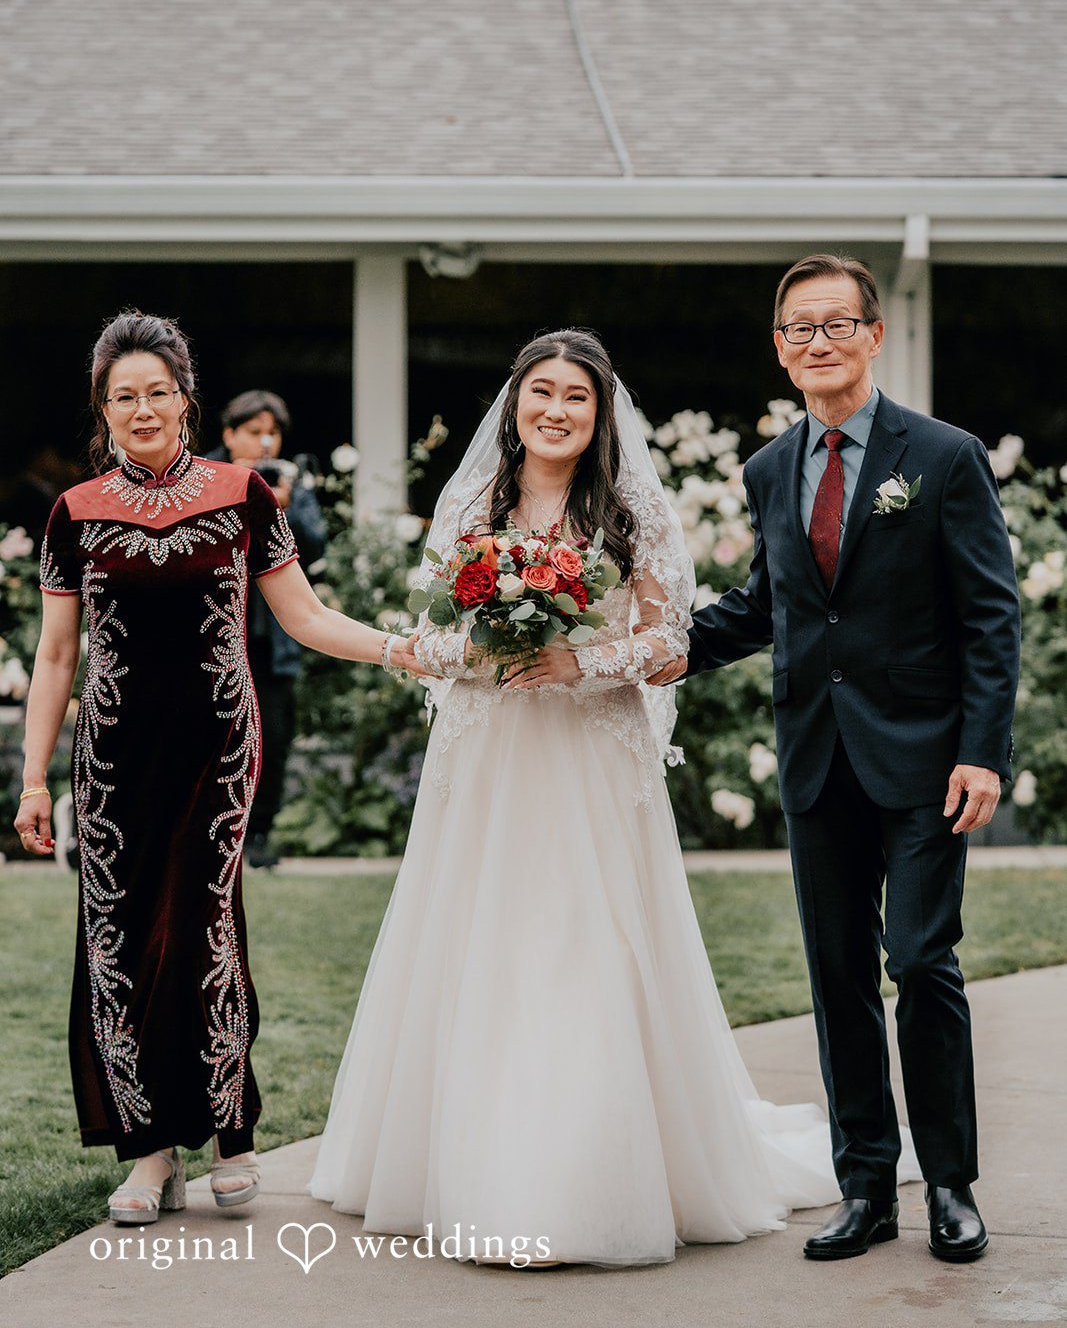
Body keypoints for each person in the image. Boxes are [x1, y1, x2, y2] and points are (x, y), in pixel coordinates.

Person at [307, 327, 922, 1270]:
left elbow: (669, 639)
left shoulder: (629, 507)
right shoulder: (471, 501)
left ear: (600, 416)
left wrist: (575, 659)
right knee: (484, 940)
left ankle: (581, 1183)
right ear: (514, 402)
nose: (555, 410)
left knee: (581, 945)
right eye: (540, 392)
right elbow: (436, 627)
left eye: (576, 398)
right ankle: (469, 1162)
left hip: (590, 755)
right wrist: (474, 652)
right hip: (490, 755)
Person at [650, 255, 1021, 1263]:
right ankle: (865, 1190)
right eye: (796, 328)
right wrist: (635, 649)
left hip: (924, 761)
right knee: (836, 976)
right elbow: (766, 607)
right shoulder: (770, 469)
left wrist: (981, 752)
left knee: (917, 959)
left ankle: (948, 1184)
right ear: (777, 349)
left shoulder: (940, 457)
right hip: (815, 759)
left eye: (834, 323)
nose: (816, 341)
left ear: (872, 333)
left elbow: (989, 614)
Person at [14, 311, 421, 1227]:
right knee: (119, 941)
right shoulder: (74, 512)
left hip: (218, 750)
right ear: (103, 409)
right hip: (112, 760)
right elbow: (53, 658)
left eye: (159, 391)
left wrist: (405, 649)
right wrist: (35, 779)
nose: (143, 408)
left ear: (188, 402)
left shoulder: (244, 495)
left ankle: (231, 1134)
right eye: (125, 396)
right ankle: (151, 1154)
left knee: (202, 928)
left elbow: (306, 620)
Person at [207, 391, 327, 869]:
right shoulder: (204, 477)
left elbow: (315, 544)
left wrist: (282, 507)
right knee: (213, 735)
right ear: (229, 434)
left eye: (272, 432)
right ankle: (214, 833)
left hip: (273, 635)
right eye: (253, 431)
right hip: (214, 634)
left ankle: (259, 834)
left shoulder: (290, 478)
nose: (264, 442)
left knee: (273, 735)